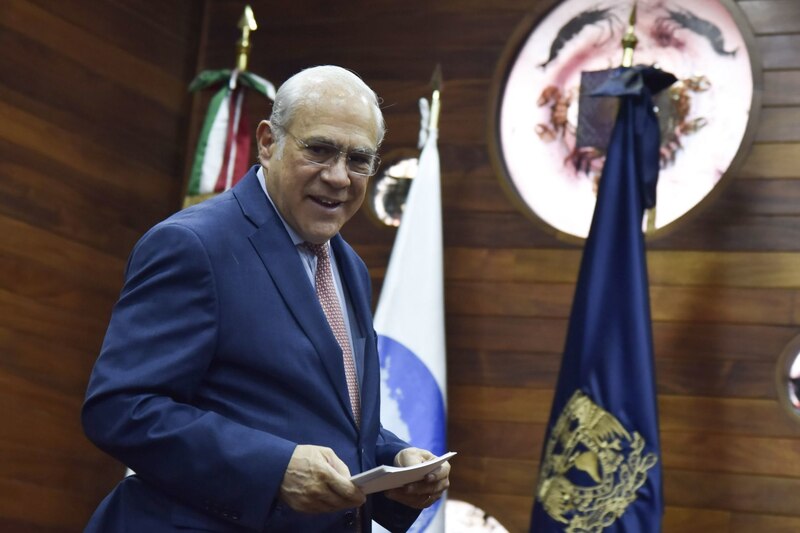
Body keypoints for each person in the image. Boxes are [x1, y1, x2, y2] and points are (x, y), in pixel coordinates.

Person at [82, 65, 450, 532]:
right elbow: (120, 407)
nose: (339, 177)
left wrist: (393, 461)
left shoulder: (347, 265)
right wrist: (273, 469)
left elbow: (325, 415)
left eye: (359, 159)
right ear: (267, 142)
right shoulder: (194, 245)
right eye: (319, 150)